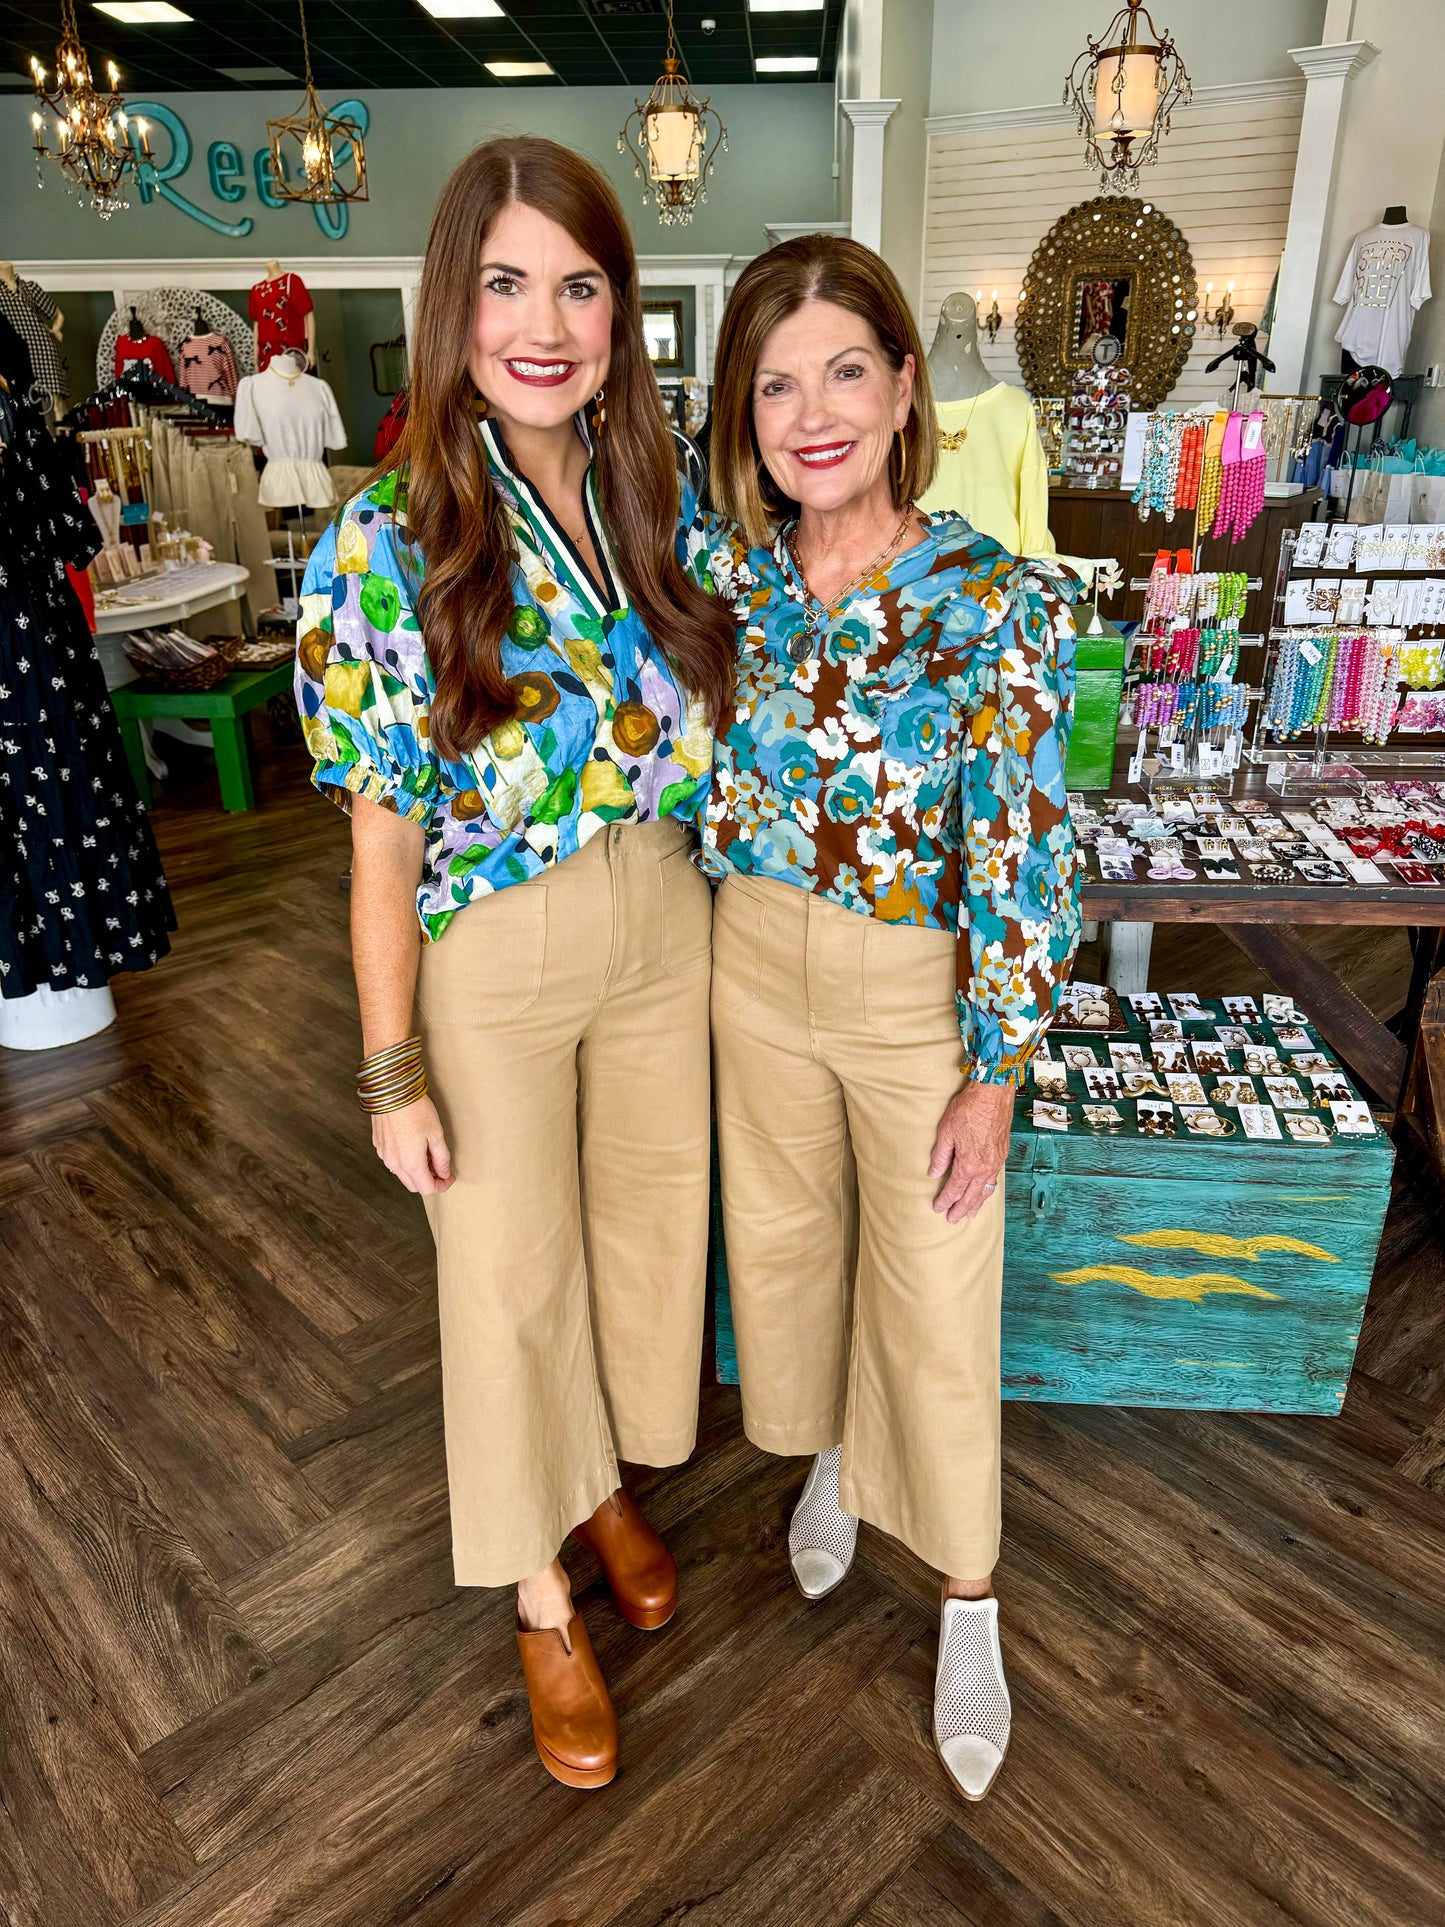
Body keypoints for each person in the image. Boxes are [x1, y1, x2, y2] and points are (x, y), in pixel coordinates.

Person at [295, 137, 735, 1791]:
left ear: (619, 311)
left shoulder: (657, 492)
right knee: (501, 1274)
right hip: (498, 943)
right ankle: (542, 1595)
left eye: (578, 285)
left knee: (638, 1238)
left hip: (662, 910)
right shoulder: (386, 540)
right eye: (505, 284)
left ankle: (603, 1477)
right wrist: (389, 1066)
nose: (543, 322)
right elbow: (379, 845)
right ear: (450, 305)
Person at [703, 235, 1081, 1801]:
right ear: (743, 411)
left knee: (934, 1289)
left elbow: (1023, 842)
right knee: (790, 1252)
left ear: (904, 386)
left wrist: (995, 1065)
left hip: (910, 986)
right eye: (776, 384)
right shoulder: (725, 578)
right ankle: (839, 1461)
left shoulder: (996, 600)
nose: (812, 415)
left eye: (844, 371)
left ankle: (969, 1595)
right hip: (744, 967)